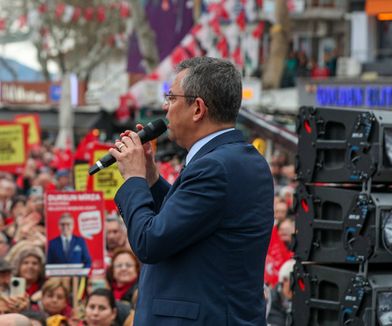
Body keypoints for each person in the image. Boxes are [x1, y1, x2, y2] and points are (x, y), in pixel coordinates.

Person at [110, 57, 274, 325]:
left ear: (198, 108)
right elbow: (189, 223)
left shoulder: (215, 166)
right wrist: (151, 178)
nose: (164, 107)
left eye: (171, 97)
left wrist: (134, 178)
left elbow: (149, 242)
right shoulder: (238, 158)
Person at [267, 259, 295, 326]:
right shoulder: (268, 302)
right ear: (284, 280)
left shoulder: (302, 304)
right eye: (292, 282)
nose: (295, 289)